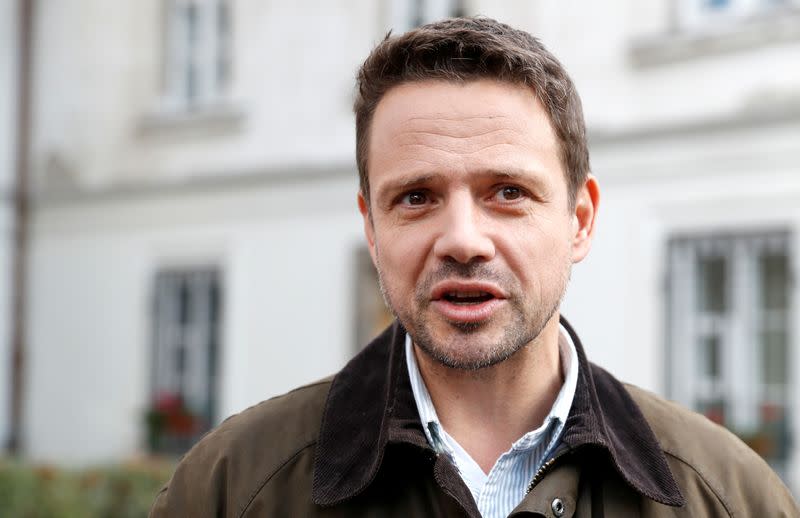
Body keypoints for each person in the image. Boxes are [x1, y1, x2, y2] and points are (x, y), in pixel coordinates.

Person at [150, 17, 798, 518]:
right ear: (372, 227)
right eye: (417, 197)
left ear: (580, 219)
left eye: (507, 193)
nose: (463, 240)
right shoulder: (231, 489)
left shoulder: (730, 496)